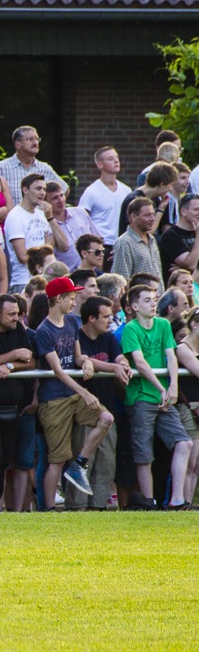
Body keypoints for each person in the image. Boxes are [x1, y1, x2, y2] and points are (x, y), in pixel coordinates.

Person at [35, 276, 115, 508]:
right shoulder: (44, 331)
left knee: (106, 418)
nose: (74, 302)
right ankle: (49, 509)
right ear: (58, 299)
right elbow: (58, 371)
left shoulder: (71, 321)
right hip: (54, 400)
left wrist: (87, 362)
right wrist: (85, 393)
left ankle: (79, 464)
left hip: (72, 395)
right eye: (70, 298)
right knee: (57, 460)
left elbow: (78, 356)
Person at [122, 284, 194, 509]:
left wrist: (173, 386)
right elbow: (140, 363)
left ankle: (177, 499)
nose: (153, 304)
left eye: (154, 299)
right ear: (134, 306)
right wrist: (162, 388)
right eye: (147, 300)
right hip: (141, 396)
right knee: (144, 454)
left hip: (163, 397)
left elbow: (171, 356)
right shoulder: (131, 329)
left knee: (184, 442)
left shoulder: (163, 325)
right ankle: (149, 502)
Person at [72, 296, 131, 510]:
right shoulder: (77, 337)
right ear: (91, 318)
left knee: (107, 462)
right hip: (85, 410)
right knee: (83, 460)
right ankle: (77, 507)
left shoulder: (108, 337)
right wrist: (114, 367)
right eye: (105, 317)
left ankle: (98, 507)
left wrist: (122, 364)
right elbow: (83, 360)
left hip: (108, 408)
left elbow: (118, 357)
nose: (110, 321)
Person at [0, 294, 35, 511]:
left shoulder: (18, 329)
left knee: (4, 462)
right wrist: (13, 355)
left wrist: (9, 367)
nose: (16, 318)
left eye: (18, 314)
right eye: (11, 314)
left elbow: (31, 362)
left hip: (13, 409)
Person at [4, 174, 68, 294]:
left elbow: (62, 245)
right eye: (38, 189)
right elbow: (23, 256)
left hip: (45, 279)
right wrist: (46, 249)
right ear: (25, 190)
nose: (42, 193)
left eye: (44, 189)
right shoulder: (15, 216)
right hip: (24, 281)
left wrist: (50, 218)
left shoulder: (42, 214)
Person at [77, 146, 132, 259]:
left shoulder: (127, 190)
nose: (116, 161)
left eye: (117, 157)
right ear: (100, 165)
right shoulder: (91, 191)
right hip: (102, 245)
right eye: (111, 159)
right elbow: (81, 218)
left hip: (123, 243)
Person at [0, 125, 67, 206]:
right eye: (30, 139)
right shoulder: (1, 168)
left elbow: (65, 189)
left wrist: (51, 207)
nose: (35, 143)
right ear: (18, 144)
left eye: (37, 139)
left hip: (38, 214)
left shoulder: (45, 168)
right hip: (12, 213)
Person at [172, 306, 199, 504]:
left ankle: (188, 503)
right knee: (190, 461)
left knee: (197, 465)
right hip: (190, 408)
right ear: (194, 325)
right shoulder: (183, 348)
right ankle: (183, 503)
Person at [112, 197, 164, 291]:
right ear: (133, 217)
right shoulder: (124, 242)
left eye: (153, 214)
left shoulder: (152, 239)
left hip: (157, 298)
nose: (153, 219)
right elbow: (120, 281)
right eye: (147, 215)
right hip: (139, 298)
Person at [45, 182, 99, 271]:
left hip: (91, 271)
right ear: (46, 203)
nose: (61, 200)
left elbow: (98, 239)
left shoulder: (80, 212)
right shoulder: (46, 224)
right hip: (68, 274)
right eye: (55, 198)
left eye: (61, 195)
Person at [118, 162, 177, 237]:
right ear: (162, 184)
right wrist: (160, 210)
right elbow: (147, 233)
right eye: (171, 185)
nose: (171, 189)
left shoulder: (157, 200)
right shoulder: (133, 200)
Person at [159, 193, 199, 285]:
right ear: (183, 211)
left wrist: (185, 270)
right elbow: (191, 265)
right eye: (196, 209)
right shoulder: (171, 236)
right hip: (178, 290)